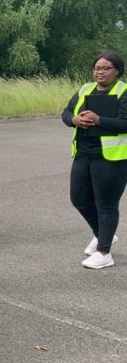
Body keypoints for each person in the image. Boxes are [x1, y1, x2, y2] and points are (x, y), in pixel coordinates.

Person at [61, 51, 127, 269]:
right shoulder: (85, 89)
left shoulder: (123, 92)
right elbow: (66, 112)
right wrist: (74, 119)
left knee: (106, 205)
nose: (100, 71)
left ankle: (104, 252)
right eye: (97, 67)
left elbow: (124, 123)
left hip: (111, 158)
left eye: (106, 68)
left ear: (117, 71)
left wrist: (99, 120)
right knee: (78, 199)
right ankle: (103, 234)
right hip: (83, 154)